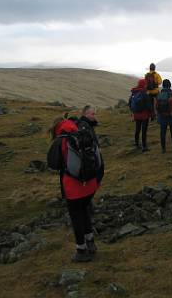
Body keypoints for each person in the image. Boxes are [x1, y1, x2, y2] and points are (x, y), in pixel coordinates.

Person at [50, 105, 104, 262]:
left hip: (73, 187)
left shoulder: (62, 140)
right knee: (85, 211)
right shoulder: (82, 133)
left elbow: (53, 163)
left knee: (76, 216)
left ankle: (81, 250)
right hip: (91, 183)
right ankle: (91, 243)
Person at [129, 78, 152, 152]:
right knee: (144, 131)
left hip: (137, 115)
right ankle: (144, 147)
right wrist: (151, 114)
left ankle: (136, 144)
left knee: (137, 129)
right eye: (145, 84)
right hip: (144, 115)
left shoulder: (134, 92)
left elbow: (130, 103)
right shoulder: (145, 93)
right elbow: (149, 105)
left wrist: (133, 112)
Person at [155, 79, 172, 153]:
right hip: (171, 116)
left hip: (162, 116)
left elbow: (156, 106)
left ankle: (163, 149)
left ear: (163, 85)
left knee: (162, 132)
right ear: (170, 85)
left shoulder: (159, 94)